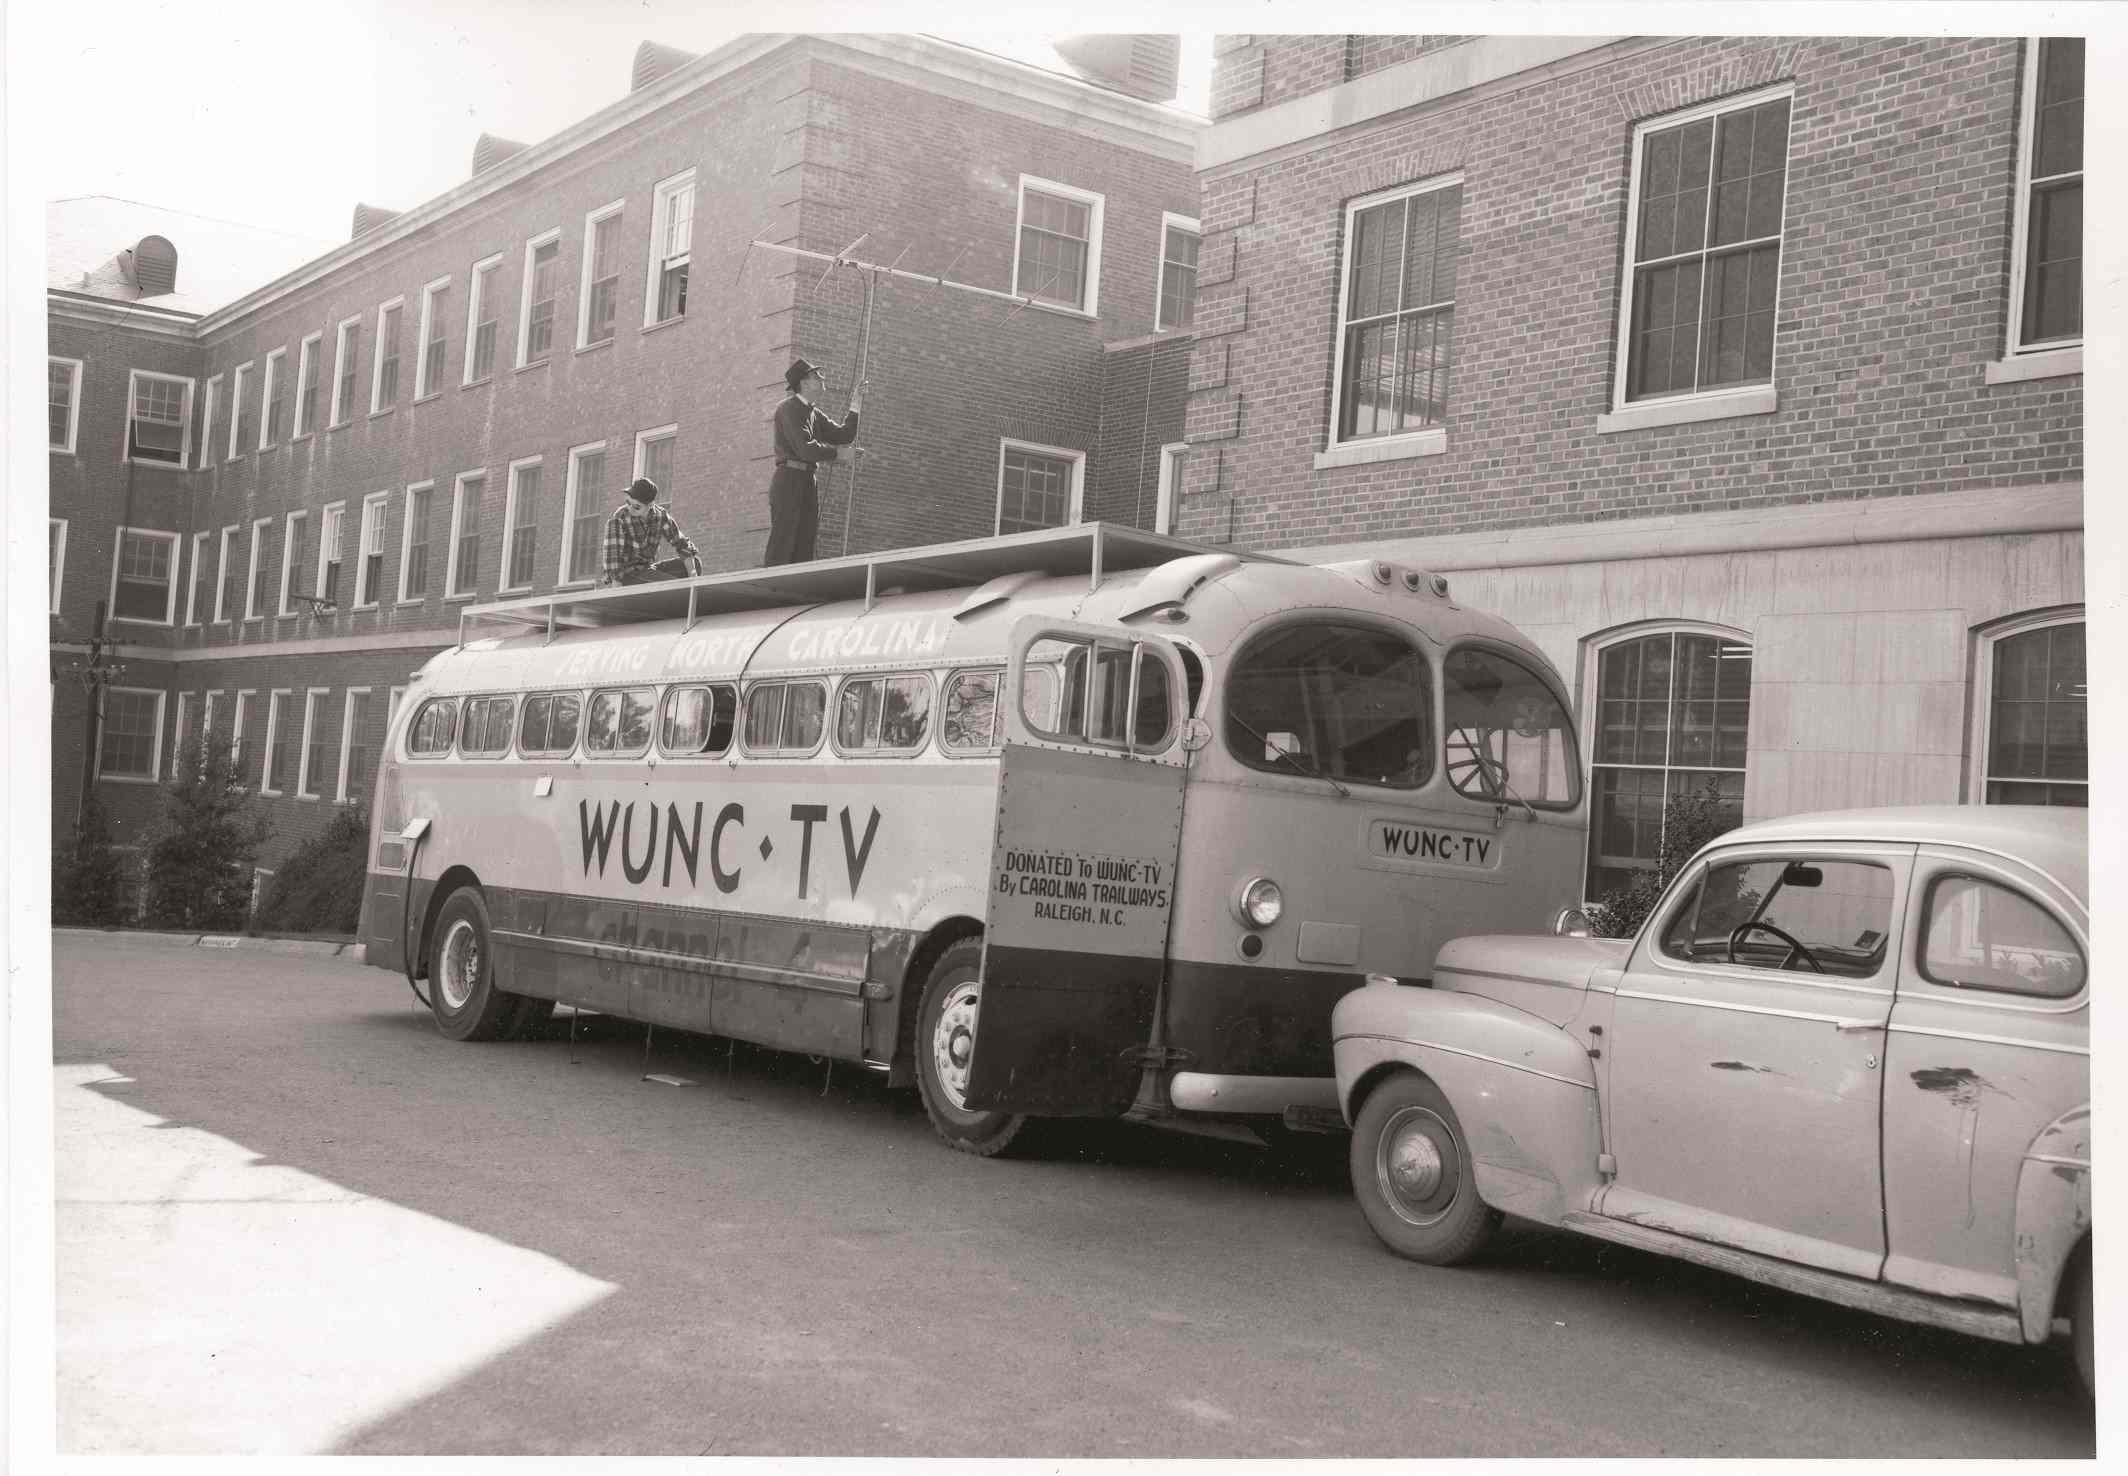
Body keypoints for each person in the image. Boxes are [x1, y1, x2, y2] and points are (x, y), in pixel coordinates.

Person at [765, 357, 862, 565]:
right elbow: (806, 449)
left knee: (805, 540)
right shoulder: (788, 409)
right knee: (784, 540)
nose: (822, 378)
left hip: (807, 480)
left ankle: (797, 593)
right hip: (789, 480)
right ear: (804, 382)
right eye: (817, 375)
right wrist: (838, 454)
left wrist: (855, 405)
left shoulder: (813, 413)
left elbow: (843, 436)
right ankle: (773, 591)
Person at [601, 476, 701, 586]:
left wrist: (693, 576)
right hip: (627, 575)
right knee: (670, 584)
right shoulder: (619, 518)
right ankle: (673, 590)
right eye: (628, 503)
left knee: (694, 563)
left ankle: (680, 591)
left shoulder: (660, 516)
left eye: (637, 507)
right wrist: (618, 594)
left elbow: (681, 544)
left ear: (650, 505)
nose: (630, 509)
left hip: (647, 569)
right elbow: (612, 563)